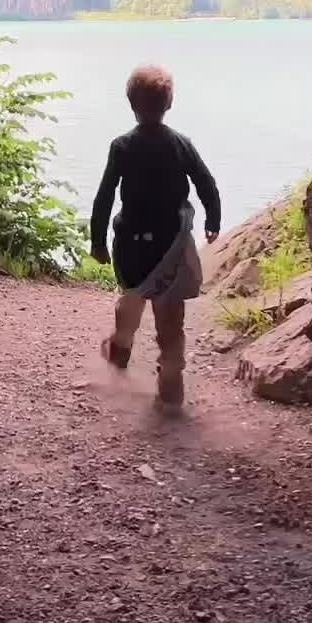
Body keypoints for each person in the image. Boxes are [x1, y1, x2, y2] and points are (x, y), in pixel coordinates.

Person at [90, 64, 220, 408]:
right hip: (170, 245)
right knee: (170, 313)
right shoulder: (181, 145)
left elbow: (104, 196)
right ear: (170, 103)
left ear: (131, 104)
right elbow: (207, 184)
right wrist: (213, 221)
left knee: (131, 299)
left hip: (131, 245)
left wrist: (97, 240)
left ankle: (121, 348)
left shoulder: (122, 146)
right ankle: (172, 377)